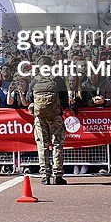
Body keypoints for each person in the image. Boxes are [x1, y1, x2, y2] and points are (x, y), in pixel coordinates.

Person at [26, 54, 71, 185]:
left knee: (42, 145)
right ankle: (57, 175)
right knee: (57, 145)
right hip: (55, 117)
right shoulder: (58, 80)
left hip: (40, 118)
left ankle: (45, 175)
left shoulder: (34, 81)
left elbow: (29, 99)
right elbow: (65, 101)